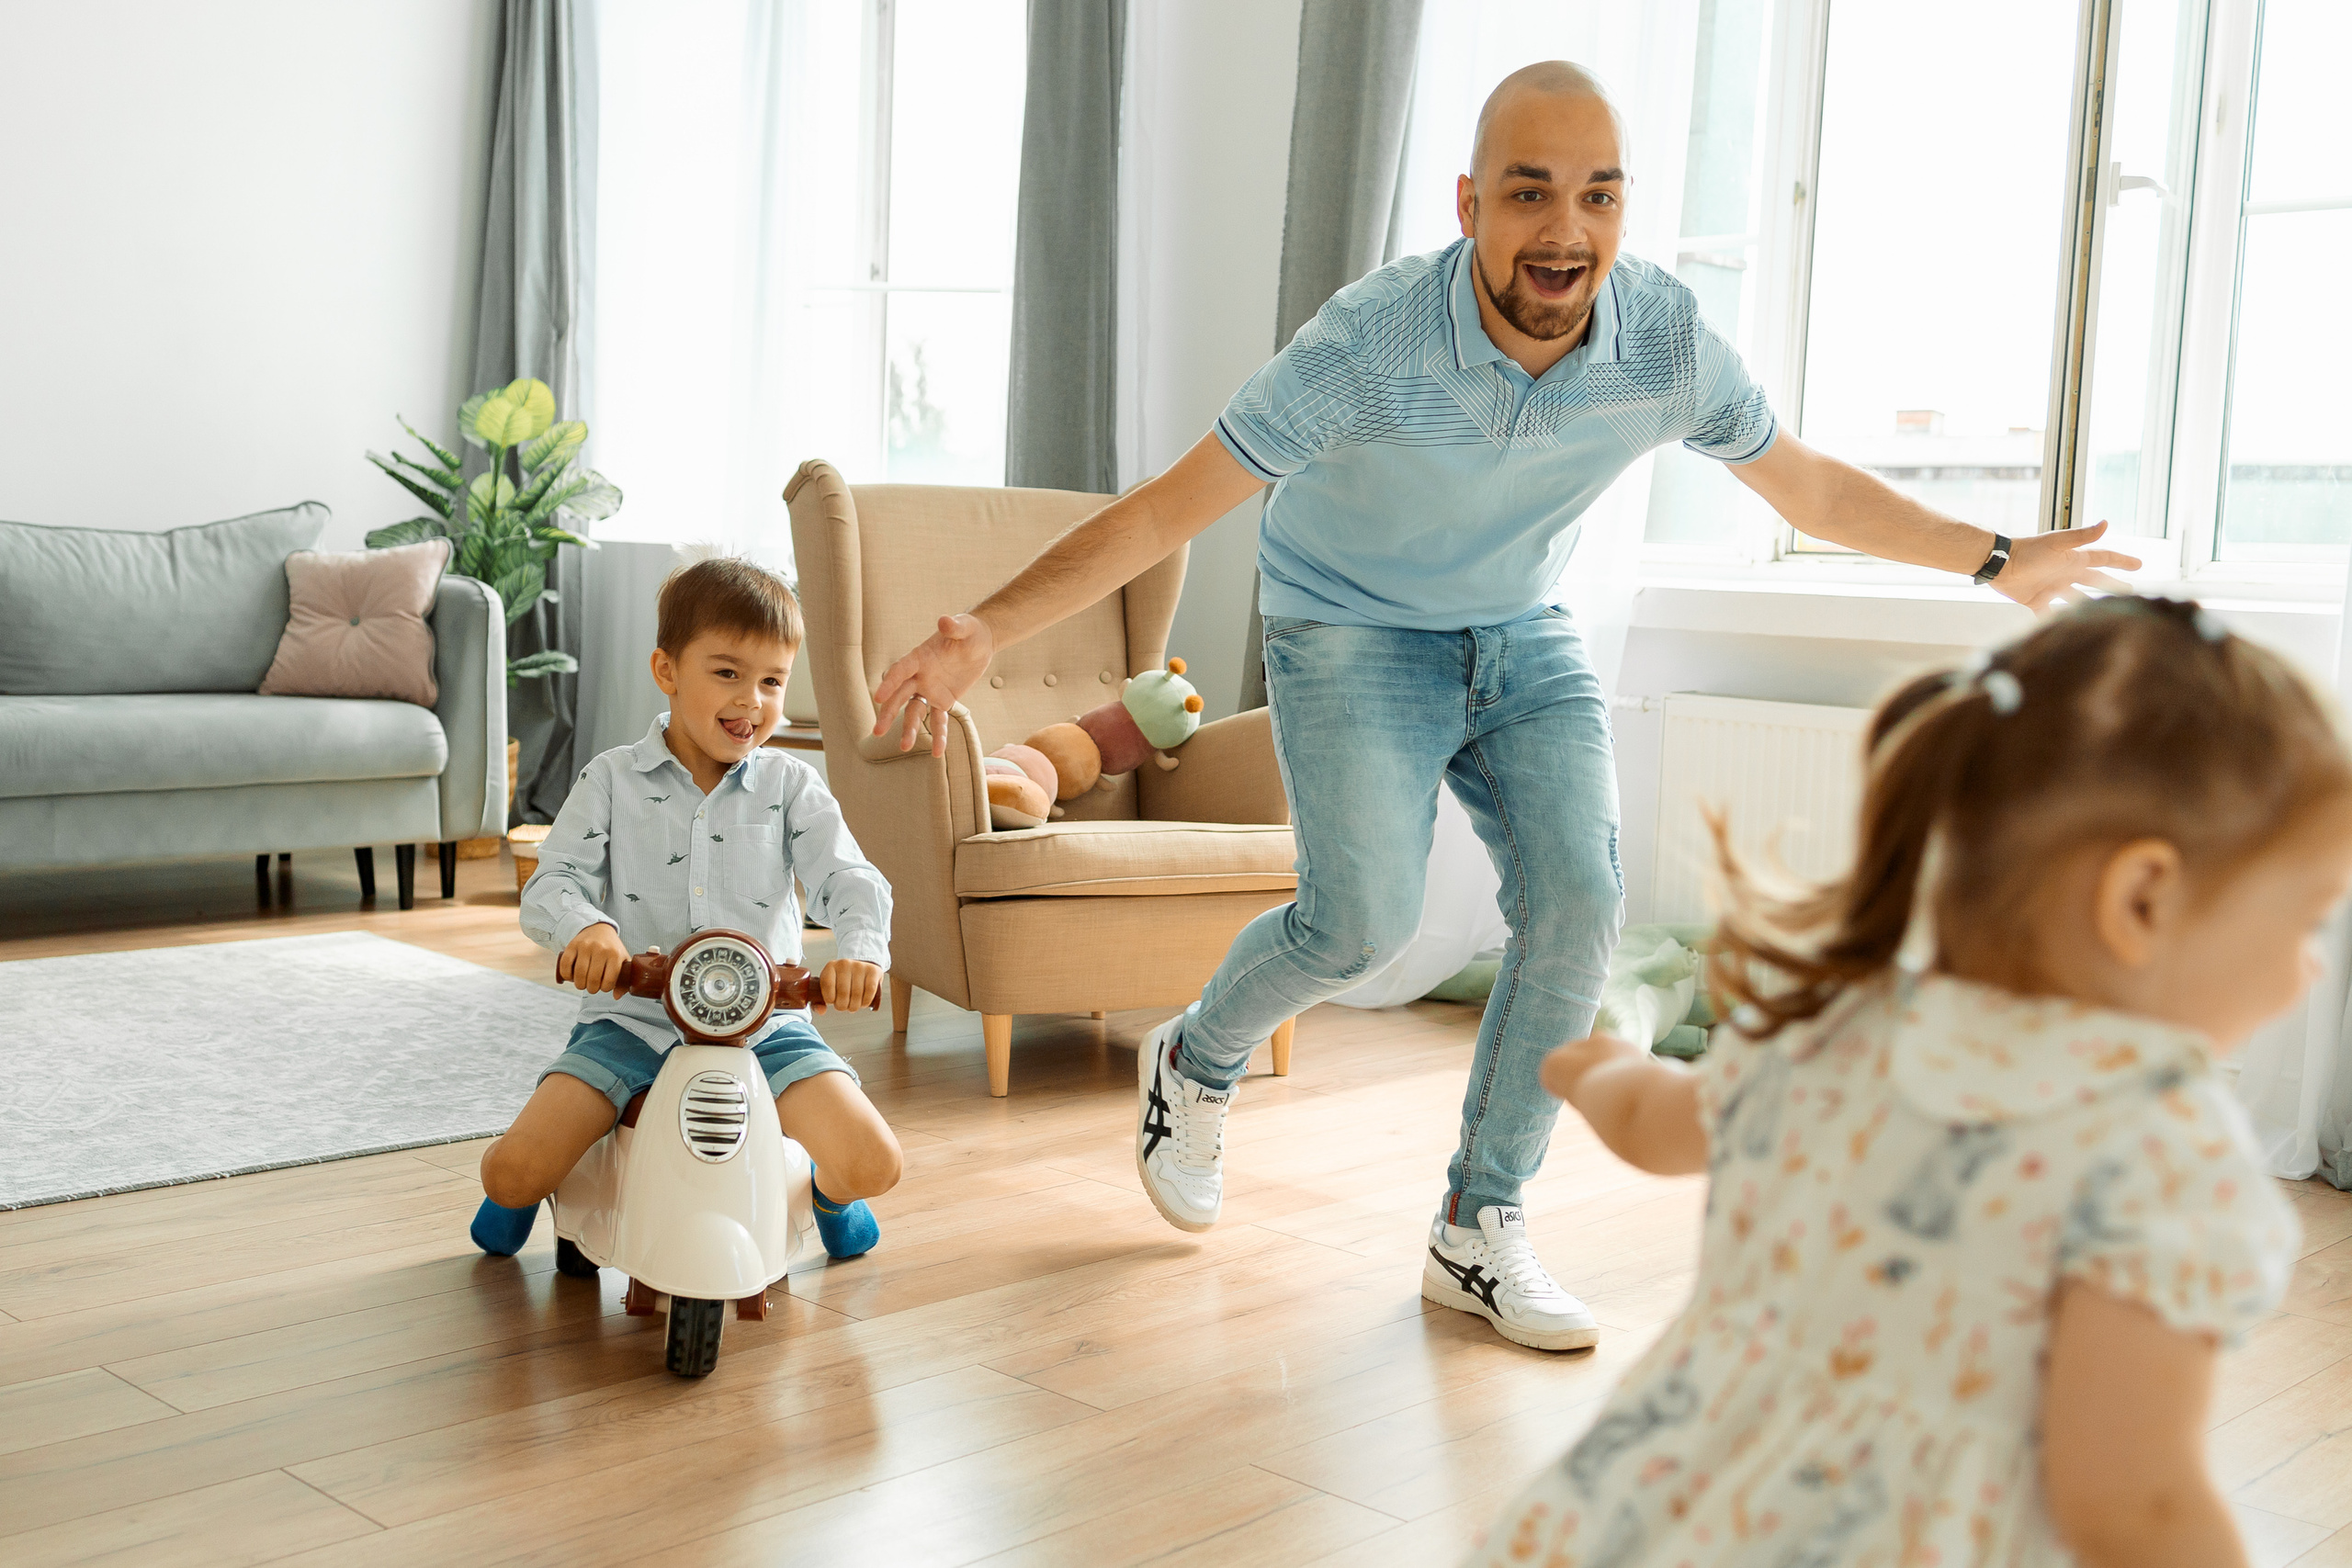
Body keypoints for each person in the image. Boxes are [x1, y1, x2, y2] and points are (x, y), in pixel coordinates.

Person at [870, 60, 2134, 1352]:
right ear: (1470, 204)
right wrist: (987, 627)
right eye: (1530, 193)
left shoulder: (1662, 342)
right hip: (1348, 623)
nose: (1566, 230)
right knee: (1358, 924)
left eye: (1599, 196)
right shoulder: (1368, 343)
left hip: (1522, 627)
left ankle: (1478, 1225)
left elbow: (1805, 487)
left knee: (1580, 907)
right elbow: (1163, 510)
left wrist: (1994, 557)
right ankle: (1195, 1061)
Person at [1468, 595, 2352, 1568]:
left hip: (1654, 1510)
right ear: (2143, 898)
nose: (2311, 966)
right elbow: (2132, 1504)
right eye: (2306, 919)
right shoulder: (2161, 1153)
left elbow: (1657, 1123)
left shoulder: (1848, 1022)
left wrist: (1600, 1068)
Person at [470, 557, 903, 1264]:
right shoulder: (611, 778)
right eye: (727, 672)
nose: (751, 700)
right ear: (667, 670)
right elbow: (553, 881)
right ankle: (538, 1193)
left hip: (768, 1026)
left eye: (772, 681)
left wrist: (860, 952)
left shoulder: (792, 785)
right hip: (629, 1023)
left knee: (875, 1162)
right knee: (514, 1171)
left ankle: (826, 1195)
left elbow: (850, 877)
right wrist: (588, 928)